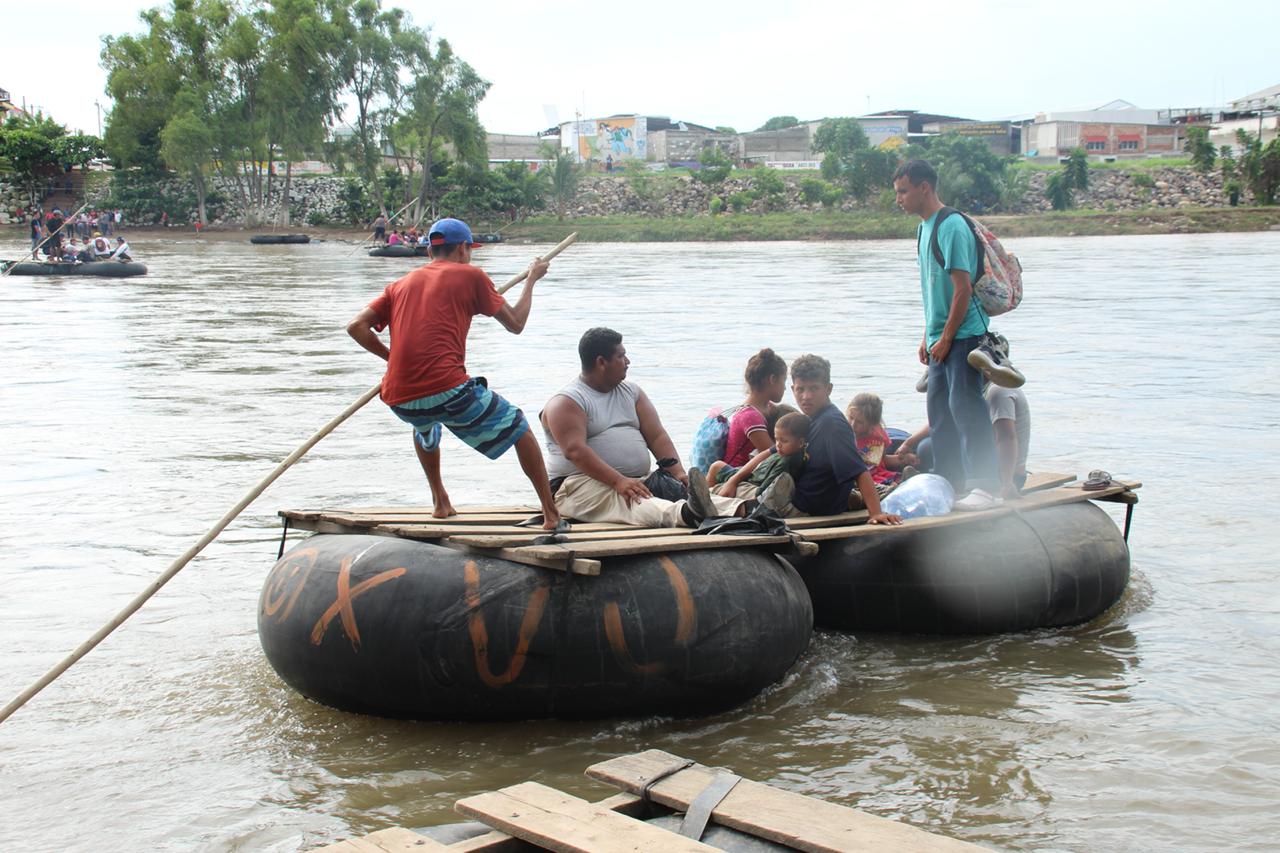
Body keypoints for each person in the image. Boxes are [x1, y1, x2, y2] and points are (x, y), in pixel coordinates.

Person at [346, 217, 561, 530]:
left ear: (431, 252)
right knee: (520, 426)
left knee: (425, 425)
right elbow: (515, 323)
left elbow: (355, 327)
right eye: (469, 250)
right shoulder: (470, 275)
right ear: (463, 248)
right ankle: (552, 515)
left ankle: (440, 502)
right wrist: (531, 279)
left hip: (399, 398)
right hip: (446, 390)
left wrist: (391, 360)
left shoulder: (399, 285)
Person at [540, 328, 749, 528]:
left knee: (679, 492)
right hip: (576, 485)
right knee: (635, 502)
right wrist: (618, 481)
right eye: (621, 356)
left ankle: (746, 509)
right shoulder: (567, 402)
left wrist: (677, 472)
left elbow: (656, 436)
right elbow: (575, 451)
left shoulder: (632, 392)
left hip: (634, 480)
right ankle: (688, 514)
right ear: (601, 362)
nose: (627, 362)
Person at [893, 158, 1000, 511]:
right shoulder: (924, 229)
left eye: (904, 192)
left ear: (925, 187)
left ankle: (985, 485)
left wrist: (948, 337)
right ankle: (950, 481)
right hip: (941, 336)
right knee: (939, 409)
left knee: (966, 406)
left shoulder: (951, 226)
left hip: (965, 333)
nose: (900, 199)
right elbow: (931, 289)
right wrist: (929, 335)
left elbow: (962, 289)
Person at [787, 354, 900, 524]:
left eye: (814, 388)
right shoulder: (813, 418)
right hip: (808, 498)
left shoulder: (831, 424)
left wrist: (875, 513)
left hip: (805, 508)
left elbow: (859, 471)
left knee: (737, 497)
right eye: (800, 389)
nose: (806, 396)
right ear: (792, 389)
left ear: (828, 389)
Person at [709, 411, 809, 500]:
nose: (778, 444)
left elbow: (765, 490)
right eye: (777, 439)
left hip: (752, 485)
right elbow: (761, 457)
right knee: (717, 466)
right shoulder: (784, 451)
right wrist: (733, 481)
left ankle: (705, 500)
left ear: (800, 443)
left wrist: (737, 486)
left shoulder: (786, 463)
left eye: (784, 441)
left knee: (716, 473)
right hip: (752, 476)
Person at [723, 348, 788, 469]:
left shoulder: (767, 407)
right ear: (772, 379)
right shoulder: (750, 416)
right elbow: (774, 457)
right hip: (735, 475)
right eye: (784, 381)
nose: (785, 388)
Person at [845, 393, 915, 491]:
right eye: (851, 418)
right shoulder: (843, 434)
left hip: (875, 476)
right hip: (856, 476)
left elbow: (882, 461)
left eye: (860, 422)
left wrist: (902, 460)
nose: (853, 425)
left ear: (871, 425)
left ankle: (900, 483)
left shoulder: (876, 438)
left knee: (889, 482)